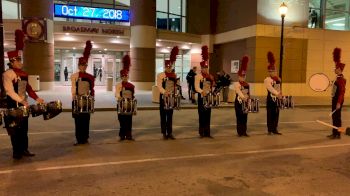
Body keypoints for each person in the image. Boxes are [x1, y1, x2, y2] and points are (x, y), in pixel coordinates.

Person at [2, 29, 45, 159]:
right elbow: (9, 91)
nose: (21, 62)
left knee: (24, 129)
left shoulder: (24, 74)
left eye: (21, 60)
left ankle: (24, 149)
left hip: (23, 104)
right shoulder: (7, 74)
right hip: (13, 104)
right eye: (18, 60)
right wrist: (21, 101)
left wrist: (37, 98)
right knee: (15, 129)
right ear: (12, 61)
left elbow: (29, 89)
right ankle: (17, 152)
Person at [71, 40, 94, 145]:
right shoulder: (74, 76)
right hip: (77, 100)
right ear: (78, 65)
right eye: (82, 65)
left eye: (85, 65)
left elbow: (92, 89)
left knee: (86, 119)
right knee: (78, 121)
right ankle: (79, 138)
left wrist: (91, 98)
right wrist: (75, 98)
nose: (83, 67)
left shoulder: (90, 77)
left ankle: (85, 138)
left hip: (87, 100)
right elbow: (73, 88)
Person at [157, 46, 179, 140]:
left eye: (170, 67)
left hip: (171, 97)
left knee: (170, 115)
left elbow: (176, 85)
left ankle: (169, 132)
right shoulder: (160, 75)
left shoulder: (174, 75)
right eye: (167, 67)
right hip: (163, 97)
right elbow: (159, 86)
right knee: (163, 115)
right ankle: (164, 132)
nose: (169, 68)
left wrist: (176, 92)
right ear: (165, 67)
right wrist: (164, 92)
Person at [195, 45, 215, 138]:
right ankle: (201, 132)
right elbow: (196, 87)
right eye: (204, 68)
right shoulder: (198, 76)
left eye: (206, 68)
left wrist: (213, 91)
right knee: (202, 115)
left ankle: (208, 132)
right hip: (202, 97)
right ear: (201, 68)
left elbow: (212, 86)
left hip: (209, 97)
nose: (205, 69)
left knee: (208, 115)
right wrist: (201, 91)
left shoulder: (210, 76)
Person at [115, 54, 135, 141]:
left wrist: (133, 100)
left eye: (126, 76)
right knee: (122, 120)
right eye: (123, 76)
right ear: (121, 77)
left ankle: (129, 135)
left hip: (129, 105)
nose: (125, 78)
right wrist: (119, 98)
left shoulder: (131, 85)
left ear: (128, 76)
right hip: (121, 104)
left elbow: (132, 94)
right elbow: (117, 94)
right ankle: (122, 135)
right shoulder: (118, 85)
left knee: (129, 120)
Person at [328, 48, 346, 139]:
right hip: (334, 99)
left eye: (336, 68)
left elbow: (342, 92)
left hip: (338, 100)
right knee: (334, 117)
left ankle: (338, 134)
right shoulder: (337, 78)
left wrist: (339, 102)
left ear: (339, 69)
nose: (334, 69)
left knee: (337, 117)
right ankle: (334, 132)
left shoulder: (341, 80)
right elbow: (334, 88)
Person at [264, 51, 283, 135]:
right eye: (272, 71)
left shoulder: (278, 79)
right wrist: (277, 93)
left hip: (277, 99)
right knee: (270, 114)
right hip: (270, 99)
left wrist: (280, 93)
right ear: (269, 72)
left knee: (276, 114)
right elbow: (270, 88)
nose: (274, 73)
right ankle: (269, 129)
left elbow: (279, 88)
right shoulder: (267, 79)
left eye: (274, 71)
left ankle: (275, 129)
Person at [233, 56, 250, 137]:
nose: (242, 78)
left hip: (245, 102)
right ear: (238, 77)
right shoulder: (236, 84)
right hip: (239, 103)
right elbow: (238, 91)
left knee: (245, 118)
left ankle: (244, 132)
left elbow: (248, 93)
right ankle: (240, 132)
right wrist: (243, 97)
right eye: (241, 76)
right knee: (239, 117)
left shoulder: (247, 84)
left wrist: (248, 99)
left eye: (244, 76)